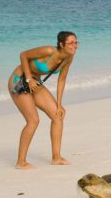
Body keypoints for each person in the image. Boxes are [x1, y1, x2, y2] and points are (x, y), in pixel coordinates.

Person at [8, 31, 78, 169]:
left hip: (35, 82)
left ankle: (56, 158)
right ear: (61, 44)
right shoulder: (48, 51)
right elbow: (23, 55)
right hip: (19, 81)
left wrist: (59, 104)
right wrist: (28, 78)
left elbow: (62, 79)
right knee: (33, 120)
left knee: (58, 116)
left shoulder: (68, 58)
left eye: (76, 42)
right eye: (71, 43)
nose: (75, 46)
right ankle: (21, 162)